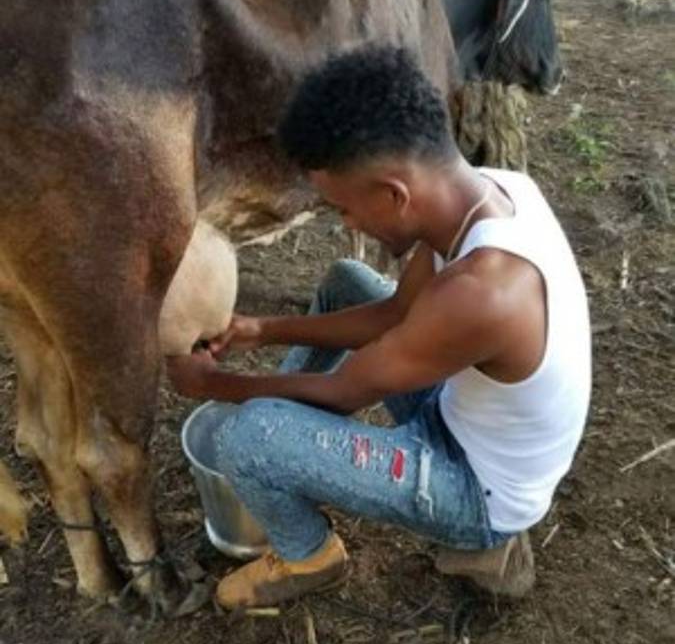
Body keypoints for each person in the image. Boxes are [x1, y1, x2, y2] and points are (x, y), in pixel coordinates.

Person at [167, 45, 591, 609]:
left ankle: (308, 555)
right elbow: (393, 316)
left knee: (247, 435)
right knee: (347, 280)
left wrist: (214, 386)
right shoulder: (492, 192)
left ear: (394, 195)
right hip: (464, 413)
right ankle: (283, 442)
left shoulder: (483, 292)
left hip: (477, 493)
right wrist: (259, 329)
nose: (346, 221)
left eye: (343, 207)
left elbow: (345, 394)